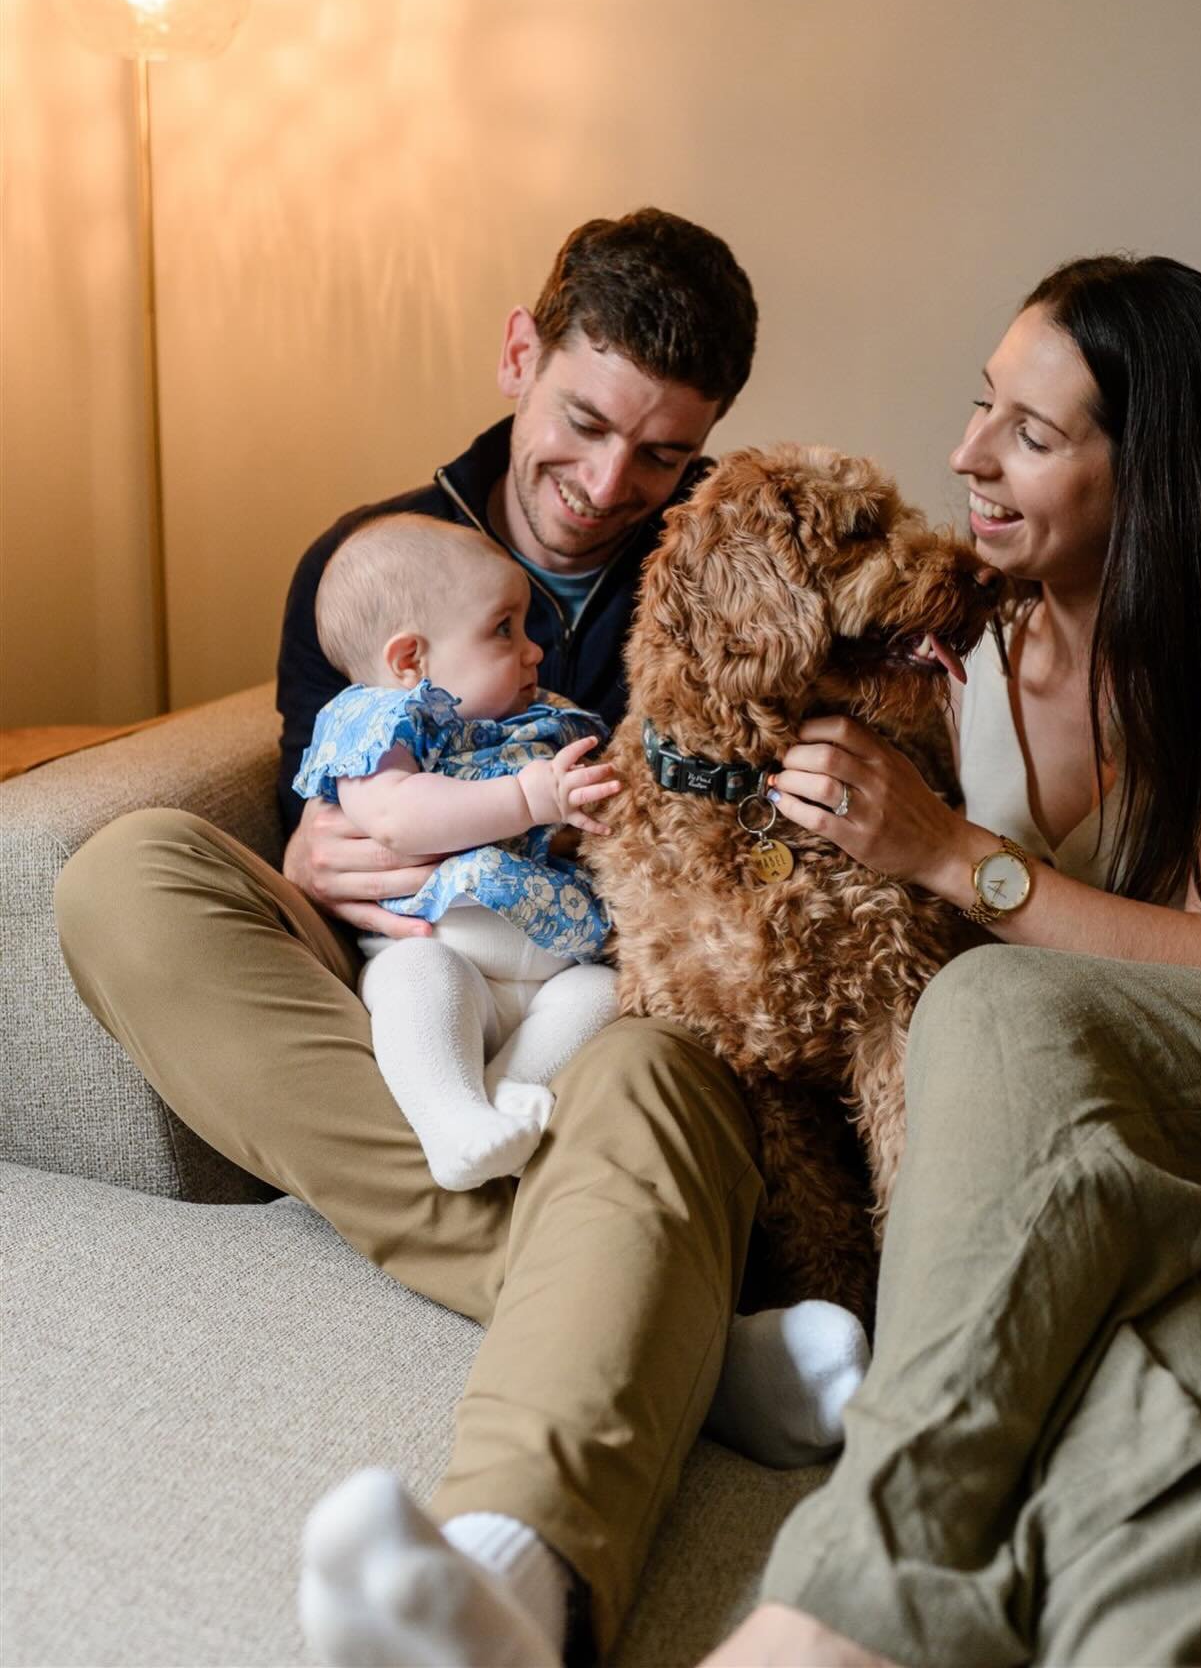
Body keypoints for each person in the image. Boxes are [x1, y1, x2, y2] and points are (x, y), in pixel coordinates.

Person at [57, 208, 843, 1668]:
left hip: (614, 1015)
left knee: (652, 1071)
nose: (611, 486)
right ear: (516, 354)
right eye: (585, 421)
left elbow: (750, 862)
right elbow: (338, 823)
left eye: (663, 453)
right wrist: (325, 845)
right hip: (408, 1005)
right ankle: (659, 1320)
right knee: (121, 878)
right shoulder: (376, 562)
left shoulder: (742, 566)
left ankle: (513, 1575)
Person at [702, 254, 1201, 1667]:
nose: (970, 455)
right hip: (1178, 1154)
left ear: (1153, 469)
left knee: (993, 998)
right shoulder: (972, 643)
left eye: (1032, 437)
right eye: (983, 407)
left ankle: (832, 1615)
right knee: (1149, 1376)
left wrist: (946, 856)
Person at [296, 512, 624, 1191]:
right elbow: (398, 818)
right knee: (418, 982)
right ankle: (448, 1115)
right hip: (441, 951)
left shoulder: (537, 720)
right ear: (411, 660)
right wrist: (529, 799)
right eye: (504, 629)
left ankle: (502, 1103)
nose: (533, 650)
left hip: (552, 974)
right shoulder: (381, 722)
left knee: (606, 994)